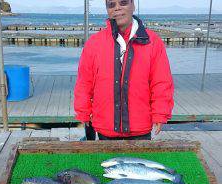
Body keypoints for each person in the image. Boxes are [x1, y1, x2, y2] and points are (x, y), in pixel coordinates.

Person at [74, 0, 174, 140]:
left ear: (133, 5)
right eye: (111, 5)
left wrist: (160, 113)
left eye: (123, 2)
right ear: (107, 10)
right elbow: (84, 82)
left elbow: (161, 82)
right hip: (105, 128)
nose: (117, 8)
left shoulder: (153, 42)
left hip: (140, 129)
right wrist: (83, 111)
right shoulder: (94, 43)